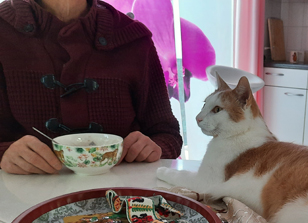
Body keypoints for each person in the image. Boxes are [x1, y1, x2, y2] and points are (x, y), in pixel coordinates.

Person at [0, 0, 182, 174]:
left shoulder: (134, 38)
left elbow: (168, 135)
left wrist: (153, 148)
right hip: (25, 193)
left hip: (117, 191)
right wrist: (4, 153)